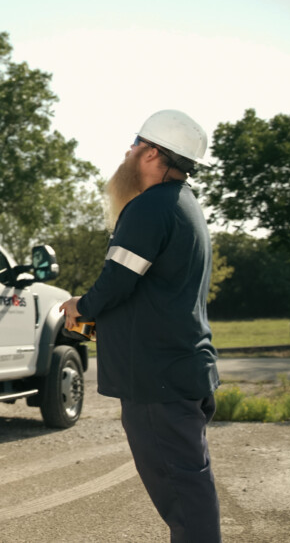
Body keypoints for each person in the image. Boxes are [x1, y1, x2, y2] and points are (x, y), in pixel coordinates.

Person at [62, 109, 221, 543]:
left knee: (184, 495)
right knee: (188, 486)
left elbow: (117, 282)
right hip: (179, 372)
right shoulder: (183, 205)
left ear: (151, 153)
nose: (127, 151)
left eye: (134, 143)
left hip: (158, 381)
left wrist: (81, 306)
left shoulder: (149, 207)